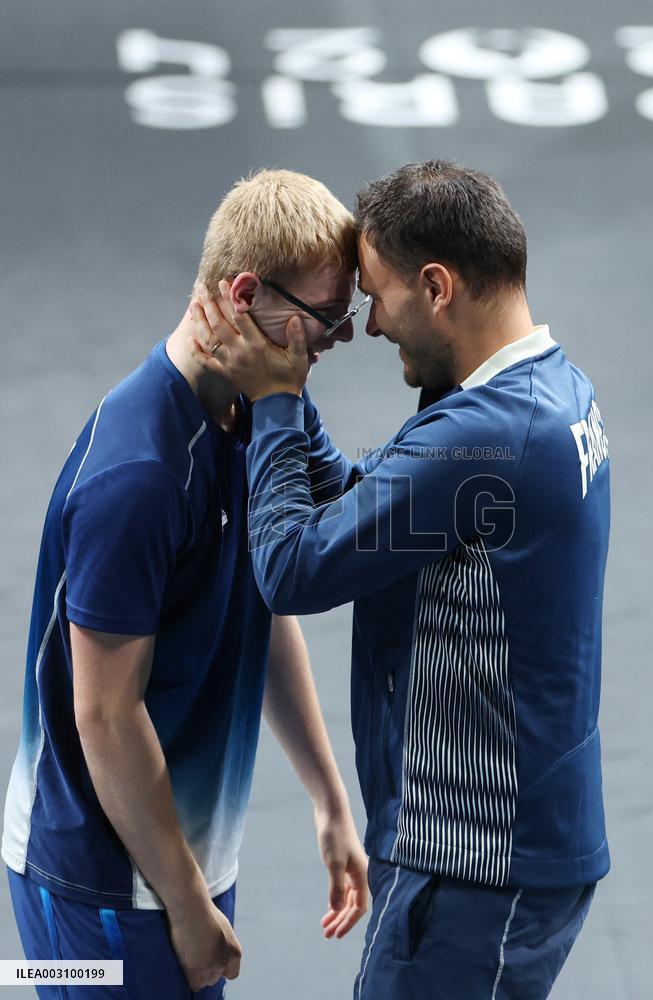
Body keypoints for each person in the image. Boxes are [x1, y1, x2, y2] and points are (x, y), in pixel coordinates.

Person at [189, 159, 611, 1000]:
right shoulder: (547, 394)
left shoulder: (484, 438)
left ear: (437, 285)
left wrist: (274, 403)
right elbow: (367, 507)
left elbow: (293, 566)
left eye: (377, 296)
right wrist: (288, 390)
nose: (370, 326)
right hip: (509, 845)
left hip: (472, 862)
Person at [2, 169, 370, 999]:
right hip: (100, 882)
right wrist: (185, 902)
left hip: (181, 852)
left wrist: (327, 796)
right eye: (326, 317)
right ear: (246, 295)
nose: (338, 339)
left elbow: (263, 598)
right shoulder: (138, 477)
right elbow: (103, 713)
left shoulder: (265, 407)